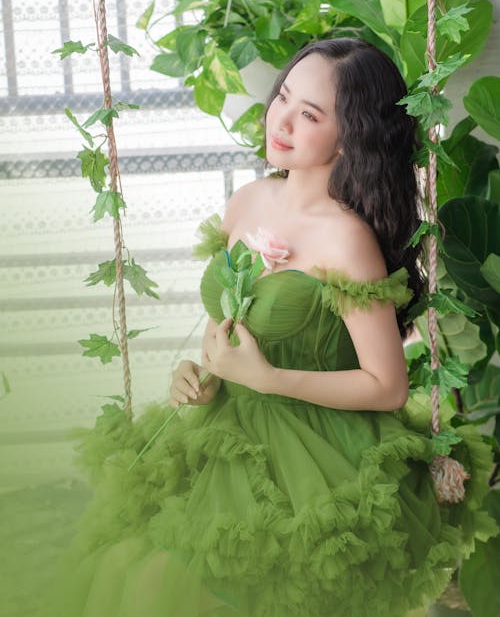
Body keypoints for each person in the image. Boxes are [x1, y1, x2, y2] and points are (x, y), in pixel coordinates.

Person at [49, 39, 492, 617]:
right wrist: (200, 373)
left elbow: (387, 385)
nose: (280, 120)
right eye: (282, 97)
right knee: (116, 568)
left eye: (309, 114)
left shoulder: (345, 238)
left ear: (349, 136)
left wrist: (267, 377)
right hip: (225, 425)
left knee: (160, 585)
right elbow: (229, 329)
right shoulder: (249, 201)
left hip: (311, 447)